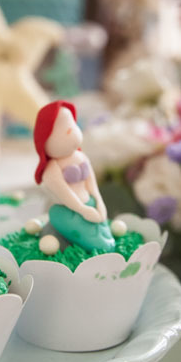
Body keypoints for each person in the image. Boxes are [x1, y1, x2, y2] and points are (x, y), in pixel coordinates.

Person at [33, 100, 115, 252]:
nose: (70, 130)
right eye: (61, 128)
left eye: (71, 125)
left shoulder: (82, 157)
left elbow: (92, 186)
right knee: (57, 215)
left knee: (104, 236)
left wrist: (99, 204)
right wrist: (83, 210)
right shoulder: (52, 169)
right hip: (69, 211)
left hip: (90, 204)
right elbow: (65, 194)